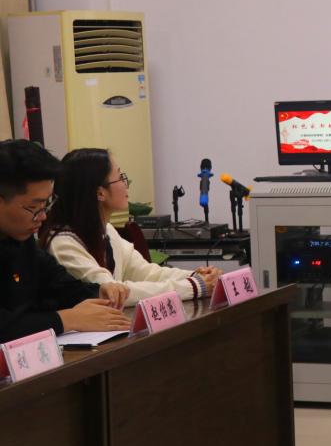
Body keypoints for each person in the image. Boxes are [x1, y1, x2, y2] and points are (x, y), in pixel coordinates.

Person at [40, 148, 222, 306]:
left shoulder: (107, 230)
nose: (125, 184)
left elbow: (147, 272)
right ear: (100, 193)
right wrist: (194, 286)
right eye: (120, 177)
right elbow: (114, 292)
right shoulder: (62, 243)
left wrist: (195, 276)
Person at [0, 140, 130, 344]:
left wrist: (98, 292)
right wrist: (66, 319)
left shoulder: (21, 240)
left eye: (47, 204)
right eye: (34, 207)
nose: (43, 216)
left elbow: (59, 284)